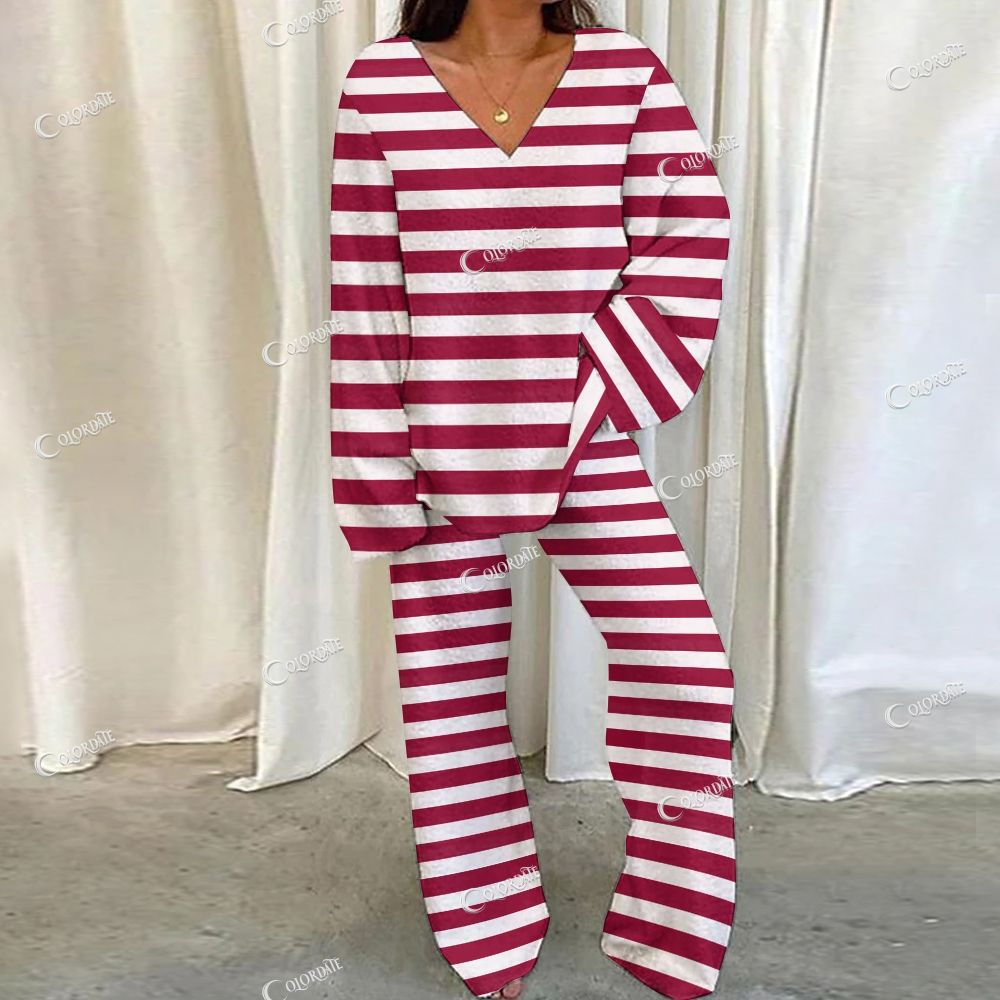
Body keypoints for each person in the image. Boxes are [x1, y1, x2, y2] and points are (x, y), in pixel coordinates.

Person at [328, 1, 734, 997]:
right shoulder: (381, 84)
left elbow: (690, 235)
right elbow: (364, 288)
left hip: (582, 435)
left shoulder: (624, 73)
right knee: (451, 704)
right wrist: (377, 476)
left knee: (683, 671)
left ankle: (671, 925)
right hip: (436, 446)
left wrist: (594, 388)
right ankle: (488, 930)